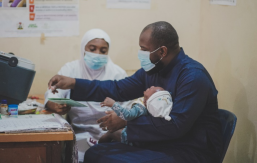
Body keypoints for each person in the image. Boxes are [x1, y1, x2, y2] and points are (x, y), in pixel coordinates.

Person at [48, 21, 223, 163]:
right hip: (165, 142)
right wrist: (74, 83)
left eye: (144, 49)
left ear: (162, 51)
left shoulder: (192, 77)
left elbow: (175, 126)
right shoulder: (153, 70)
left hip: (191, 149)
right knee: (97, 153)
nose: (140, 53)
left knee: (105, 158)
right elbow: (117, 88)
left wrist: (125, 122)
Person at [45, 29, 133, 162]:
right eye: (92, 49)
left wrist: (119, 116)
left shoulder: (117, 74)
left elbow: (128, 107)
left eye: (103, 51)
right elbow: (52, 93)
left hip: (111, 134)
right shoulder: (70, 70)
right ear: (83, 49)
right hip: (80, 133)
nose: (97, 54)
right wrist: (54, 104)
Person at [99, 86, 173, 145]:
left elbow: (127, 115)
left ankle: (98, 145)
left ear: (147, 101)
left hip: (131, 138)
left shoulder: (140, 108)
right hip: (142, 138)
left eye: (152, 88)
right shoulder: (156, 111)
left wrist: (113, 104)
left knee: (110, 133)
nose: (152, 86)